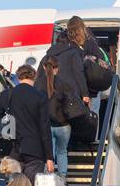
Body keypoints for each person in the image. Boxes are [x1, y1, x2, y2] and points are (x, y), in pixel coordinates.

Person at [41, 16, 99, 177]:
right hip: (65, 121)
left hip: (49, 121)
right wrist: (85, 94)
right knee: (62, 151)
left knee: (50, 152)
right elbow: (80, 74)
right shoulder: (73, 53)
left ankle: (48, 177)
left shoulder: (48, 57)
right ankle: (63, 178)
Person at [0, 64, 55, 185]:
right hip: (35, 150)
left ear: (19, 77)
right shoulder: (40, 96)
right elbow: (45, 128)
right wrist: (49, 157)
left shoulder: (7, 94)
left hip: (12, 148)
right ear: (34, 77)